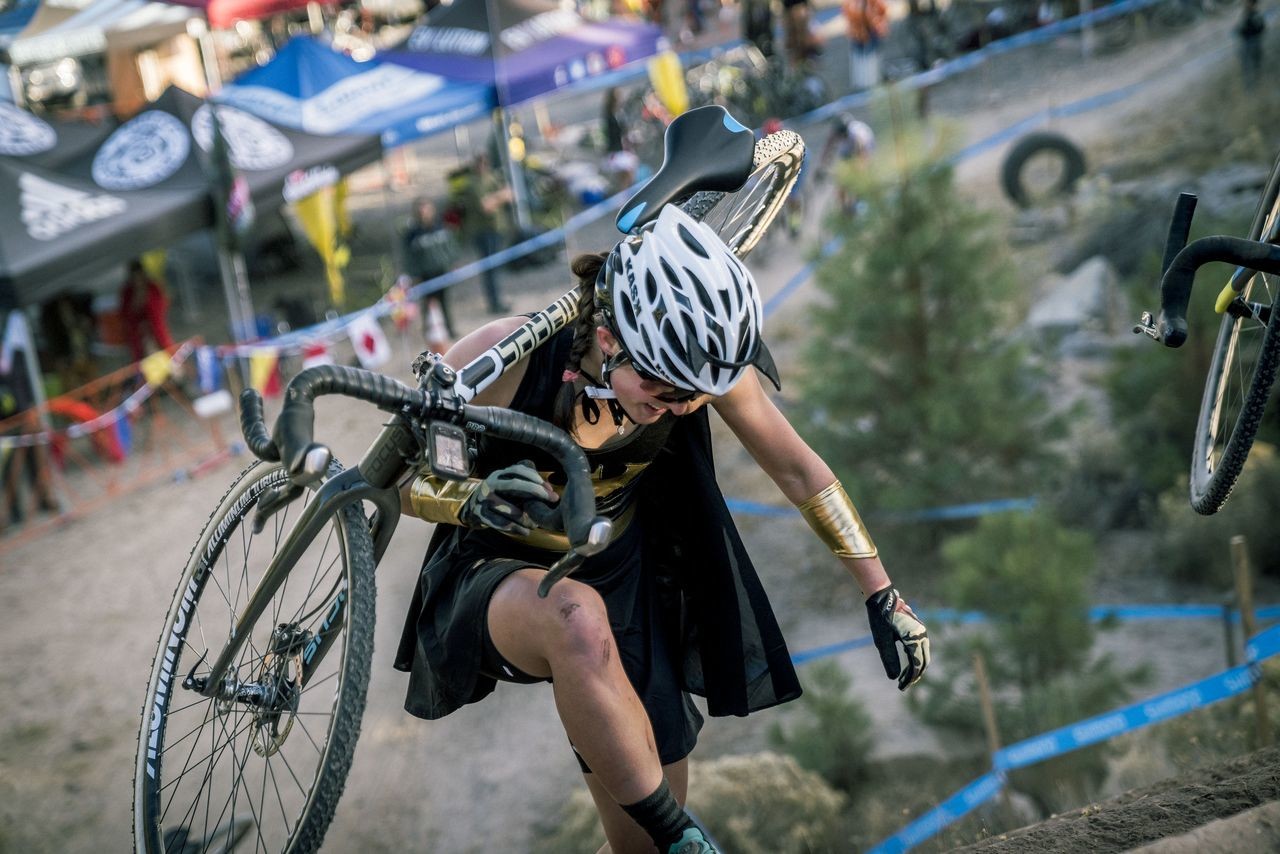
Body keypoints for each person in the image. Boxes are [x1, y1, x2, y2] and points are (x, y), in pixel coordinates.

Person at [395, 205, 930, 853]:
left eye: (690, 399)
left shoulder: (694, 364)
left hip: (625, 571)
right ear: (614, 337)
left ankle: (668, 832)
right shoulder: (503, 357)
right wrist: (473, 499)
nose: (674, 409)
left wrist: (883, 593)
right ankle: (684, 836)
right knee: (575, 618)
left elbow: (796, 469)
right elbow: (403, 480)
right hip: (495, 568)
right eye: (659, 389)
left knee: (641, 843)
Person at [456, 154, 513, 315]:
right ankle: (494, 303)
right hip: (483, 232)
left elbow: (509, 195)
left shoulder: (493, 177)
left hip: (496, 229)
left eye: (485, 163)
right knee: (490, 270)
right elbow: (486, 206)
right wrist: (500, 196)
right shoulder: (473, 184)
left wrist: (496, 197)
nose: (483, 166)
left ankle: (498, 300)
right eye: (480, 163)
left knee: (495, 269)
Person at [401, 197, 462, 347]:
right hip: (425, 274)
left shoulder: (440, 227)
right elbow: (409, 256)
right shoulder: (413, 234)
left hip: (441, 271)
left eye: (427, 209)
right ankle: (429, 331)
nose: (424, 213)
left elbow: (450, 246)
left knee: (444, 301)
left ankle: (449, 328)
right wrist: (413, 274)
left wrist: (453, 262)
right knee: (428, 304)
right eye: (421, 210)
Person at [819, 112, 876, 215]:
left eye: (843, 135)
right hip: (848, 151)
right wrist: (822, 165)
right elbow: (828, 146)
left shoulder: (857, 134)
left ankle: (861, 204)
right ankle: (844, 211)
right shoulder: (836, 131)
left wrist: (859, 171)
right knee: (841, 183)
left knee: (859, 179)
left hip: (863, 149)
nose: (841, 137)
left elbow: (863, 155)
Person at [119, 259, 174, 363]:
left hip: (155, 328)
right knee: (142, 357)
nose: (138, 281)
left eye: (139, 277)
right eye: (135, 279)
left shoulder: (152, 288)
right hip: (139, 333)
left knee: (165, 350)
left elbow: (161, 306)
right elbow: (126, 314)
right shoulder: (127, 293)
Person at [844, 0, 888, 91]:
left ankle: (873, 82)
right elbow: (849, 13)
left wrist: (876, 22)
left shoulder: (874, 3)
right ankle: (862, 85)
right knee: (859, 60)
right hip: (858, 35)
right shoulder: (851, 4)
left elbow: (882, 11)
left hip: (871, 34)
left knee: (872, 61)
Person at [601, 87, 640, 191]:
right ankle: (625, 197)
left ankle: (625, 196)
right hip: (617, 151)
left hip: (621, 150)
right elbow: (615, 134)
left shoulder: (618, 113)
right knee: (627, 176)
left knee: (626, 177)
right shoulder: (611, 115)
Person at [1237, 0, 1265, 93]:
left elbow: (1261, 28)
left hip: (1253, 43)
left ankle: (1255, 88)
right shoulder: (1245, 14)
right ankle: (1251, 89)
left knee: (1253, 67)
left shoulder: (1254, 15)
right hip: (1248, 44)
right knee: (1248, 69)